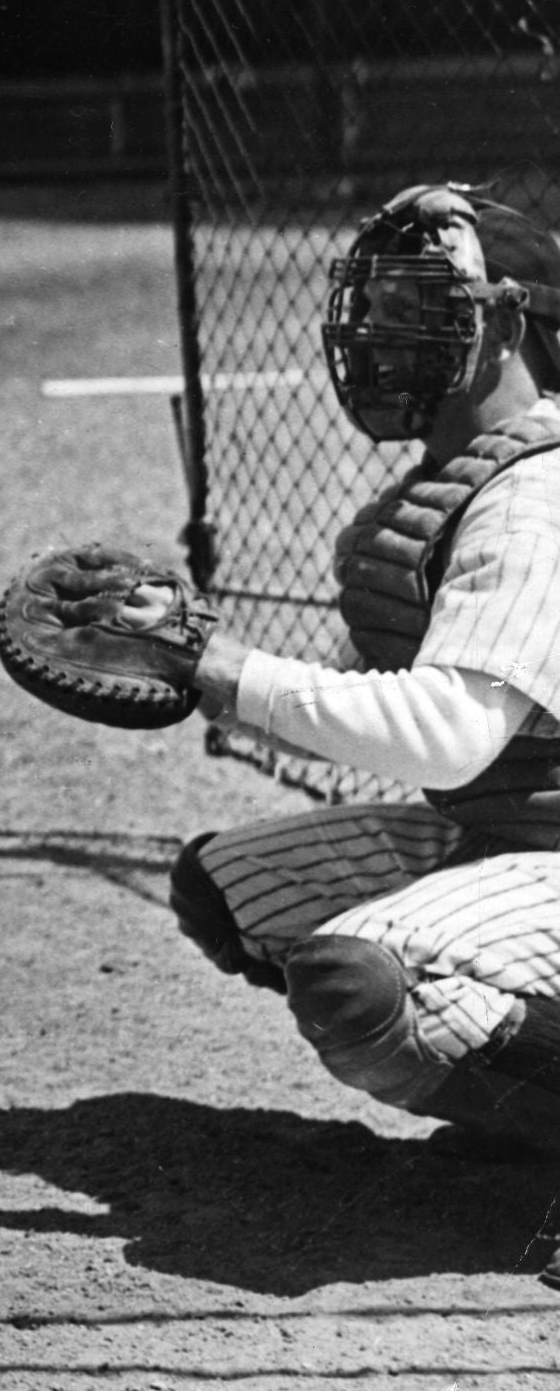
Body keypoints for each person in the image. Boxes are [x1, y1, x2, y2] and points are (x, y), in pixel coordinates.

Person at [172, 186, 560, 1153]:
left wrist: (224, 668)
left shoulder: (535, 499)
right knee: (228, 888)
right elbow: (370, 691)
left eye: (415, 310)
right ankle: (520, 1099)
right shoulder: (456, 485)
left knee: (359, 977)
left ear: (507, 321)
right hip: (505, 832)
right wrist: (172, 651)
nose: (381, 341)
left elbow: (450, 731)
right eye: (373, 310)